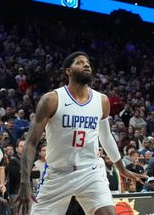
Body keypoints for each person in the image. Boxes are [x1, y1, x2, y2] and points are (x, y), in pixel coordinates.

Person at [13, 52, 146, 215]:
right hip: (58, 172)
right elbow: (31, 143)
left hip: (90, 170)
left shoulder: (102, 100)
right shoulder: (52, 99)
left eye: (88, 62)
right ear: (68, 71)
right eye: (80, 62)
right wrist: (24, 183)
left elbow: (105, 137)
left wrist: (121, 168)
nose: (86, 65)